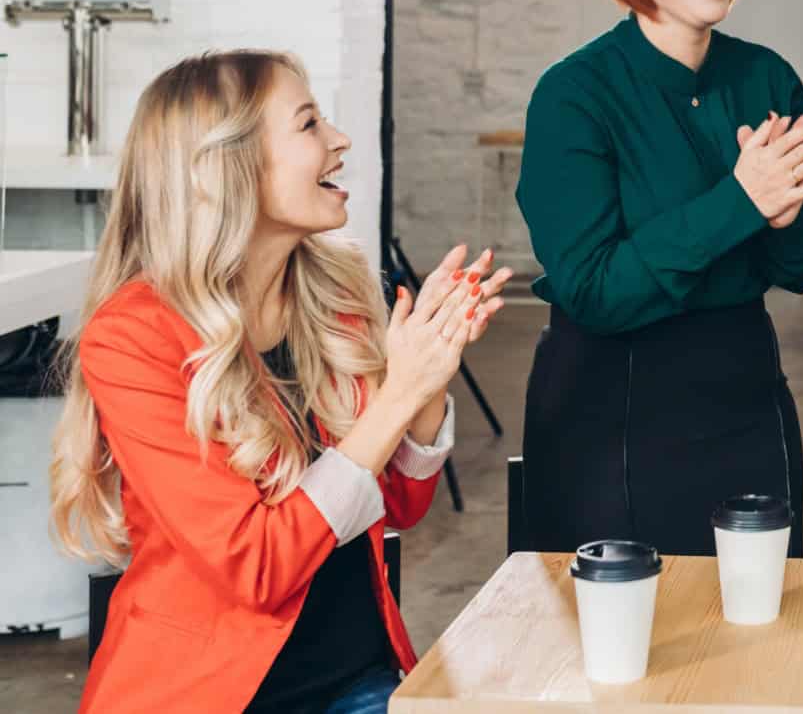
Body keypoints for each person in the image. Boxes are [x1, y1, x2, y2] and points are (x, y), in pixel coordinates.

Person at [50, 50, 507, 714]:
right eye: (309, 124)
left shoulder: (334, 295)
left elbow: (400, 504)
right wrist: (400, 392)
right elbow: (255, 566)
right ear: (226, 167)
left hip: (356, 682)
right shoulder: (133, 337)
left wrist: (429, 373)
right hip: (202, 695)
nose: (340, 139)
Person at [516, 0, 803, 558]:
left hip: (747, 391)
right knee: (625, 644)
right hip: (612, 407)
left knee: (755, 622)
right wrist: (742, 201)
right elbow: (594, 290)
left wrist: (786, 217)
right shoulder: (574, 95)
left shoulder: (767, 77)